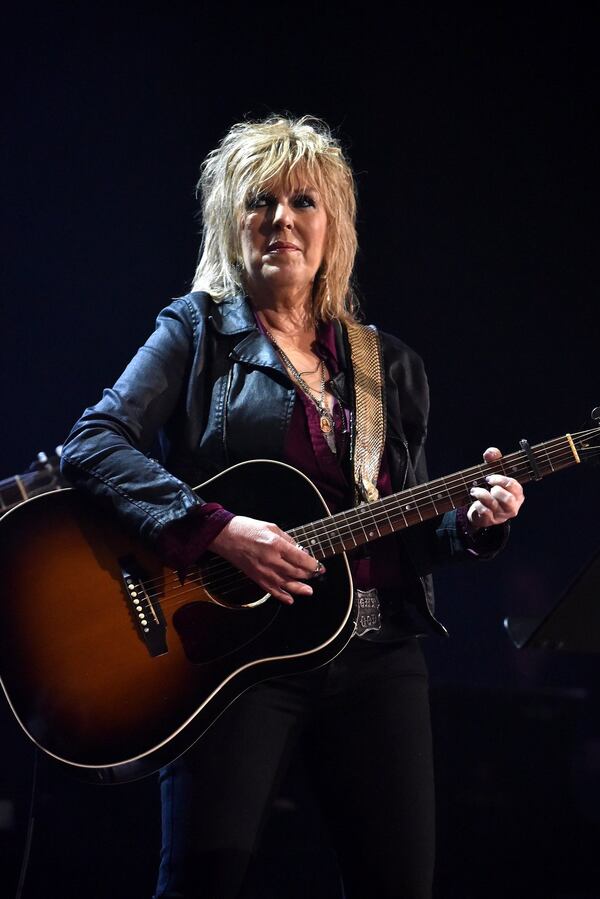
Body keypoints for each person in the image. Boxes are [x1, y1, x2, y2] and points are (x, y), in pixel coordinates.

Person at [61, 115, 524, 899]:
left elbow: (404, 523)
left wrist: (473, 525)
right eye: (260, 202)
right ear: (230, 222)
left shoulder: (388, 366)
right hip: (235, 661)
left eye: (303, 202)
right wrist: (219, 529)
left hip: (378, 656)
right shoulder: (195, 333)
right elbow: (94, 441)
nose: (281, 220)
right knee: (201, 882)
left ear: (331, 225)